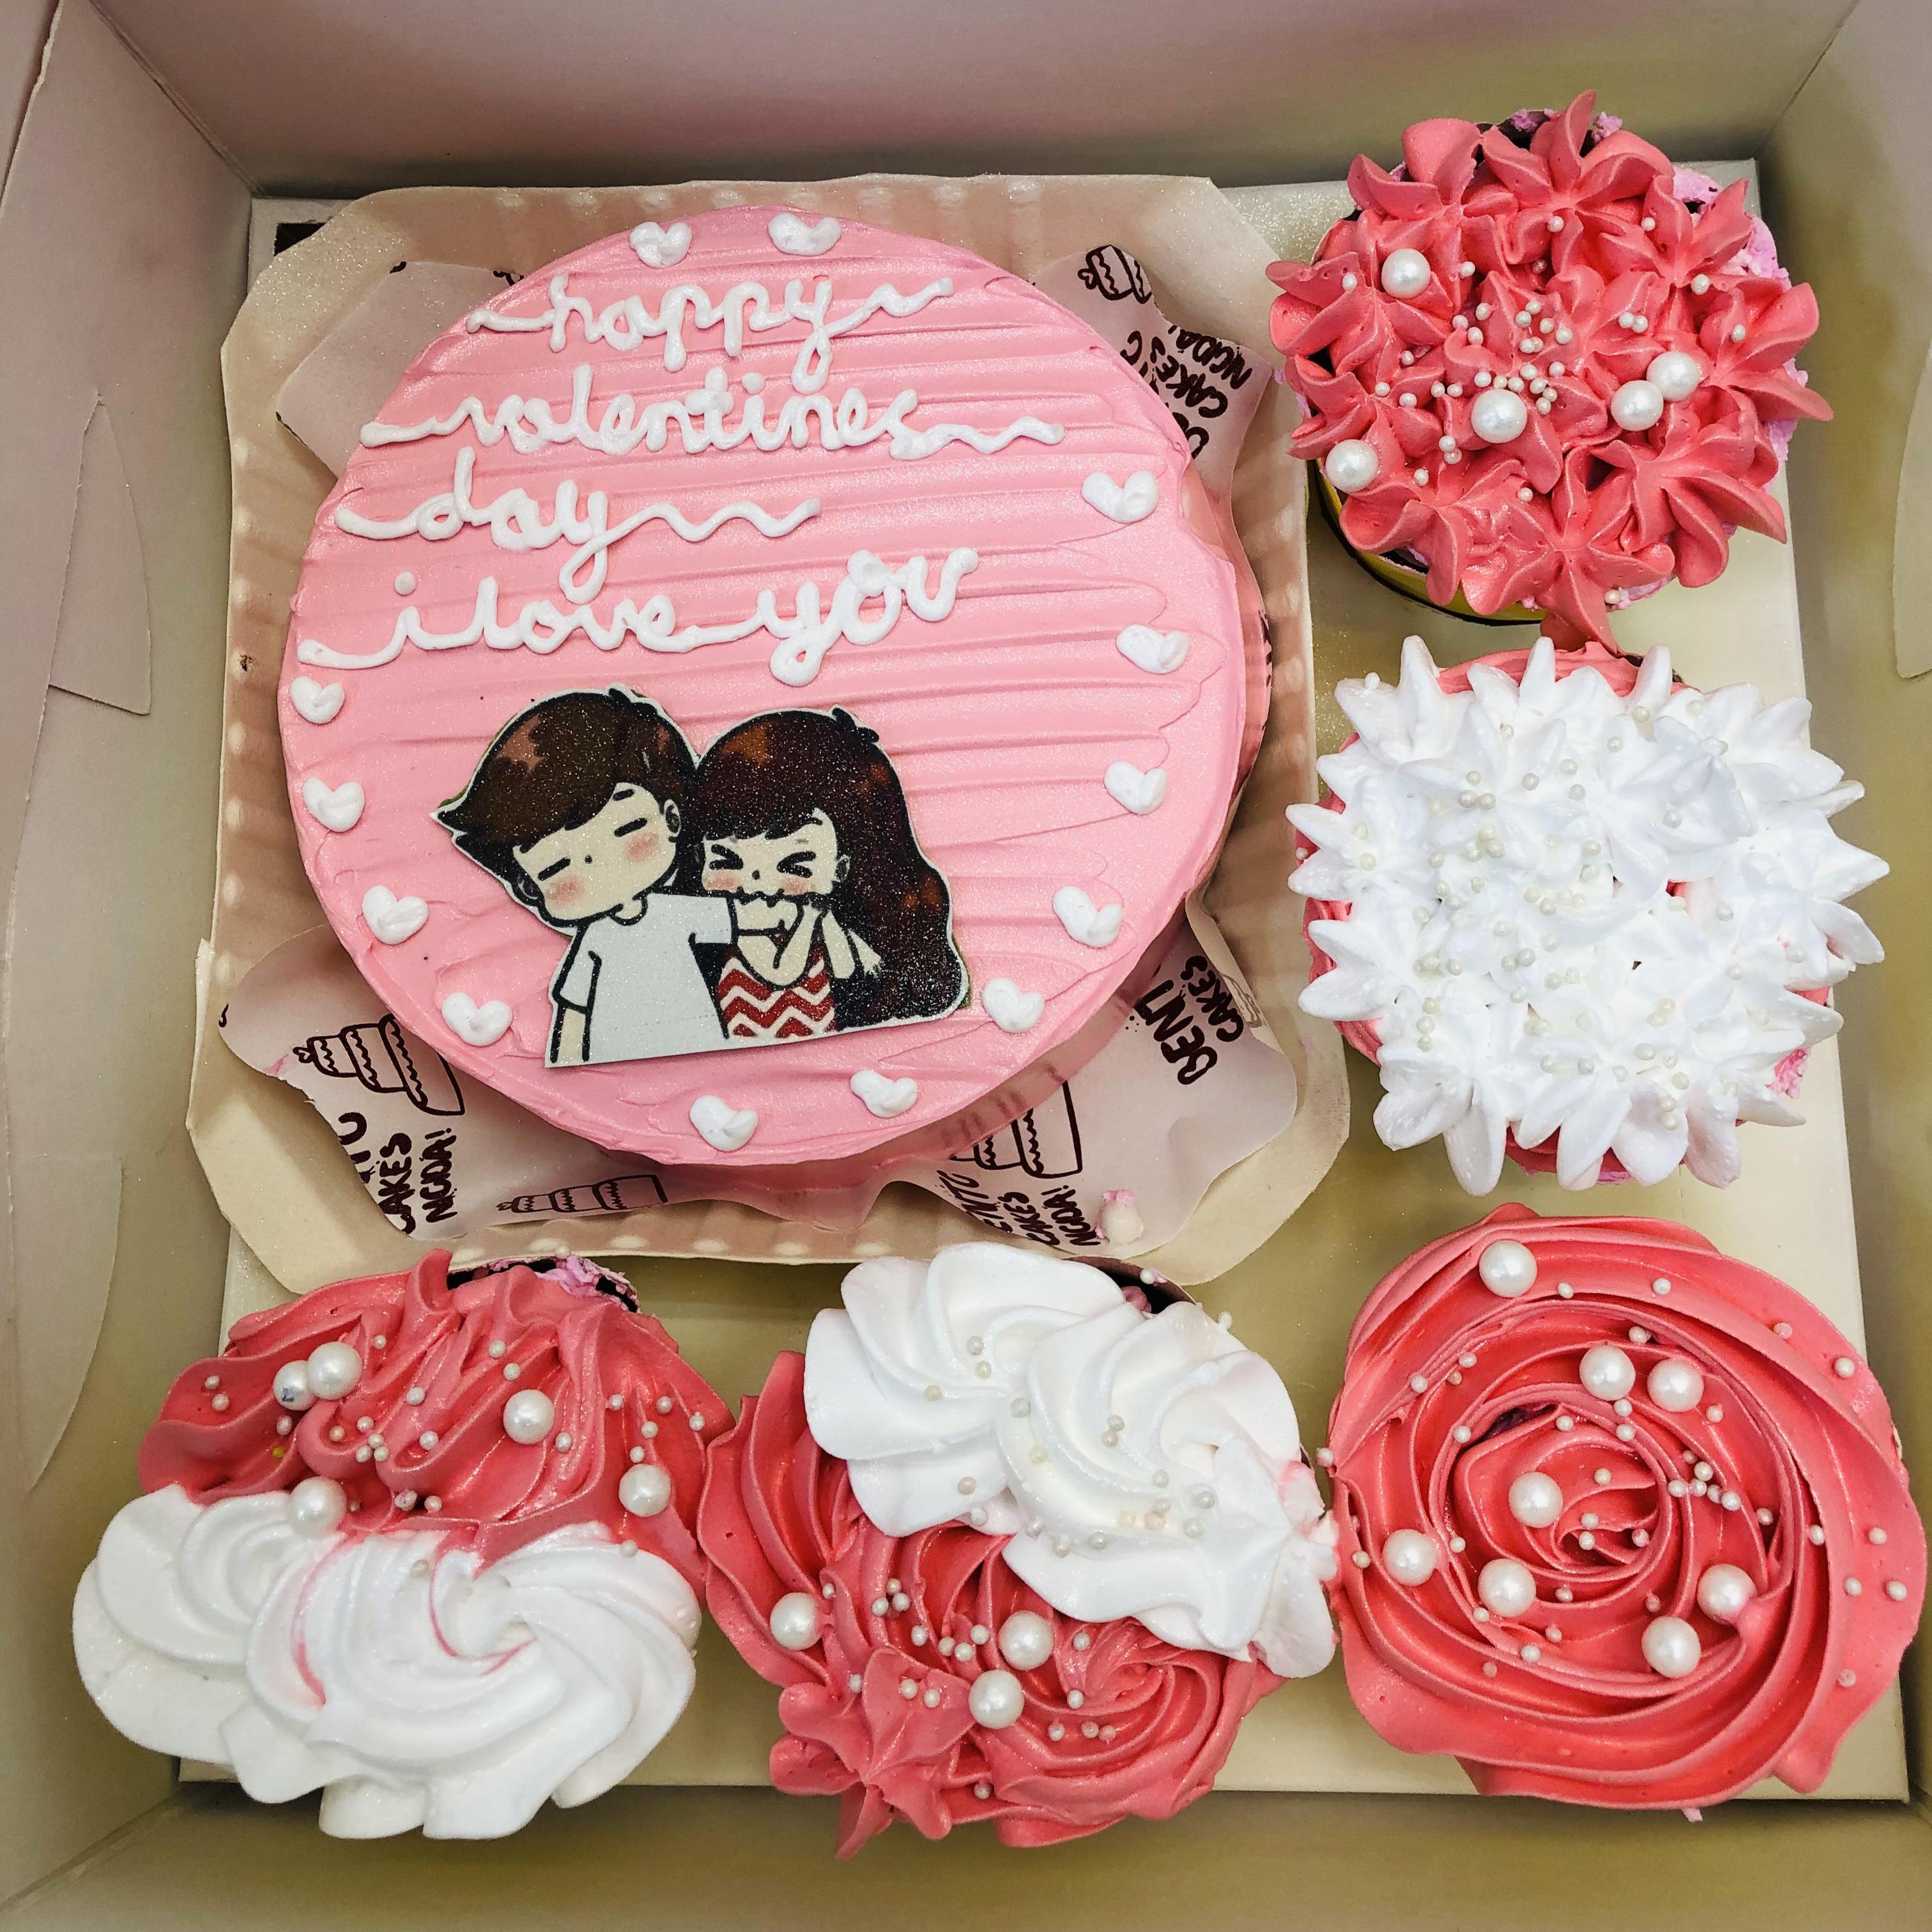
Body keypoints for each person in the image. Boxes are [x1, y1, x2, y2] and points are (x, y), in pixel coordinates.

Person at [437, 687, 792, 1066]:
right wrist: (566, 1060)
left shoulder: (677, 911)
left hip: (698, 1042)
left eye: (627, 829)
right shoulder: (595, 941)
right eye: (556, 867)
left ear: (673, 818)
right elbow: (574, 1014)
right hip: (612, 1051)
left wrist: (790, 914)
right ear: (528, 886)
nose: (598, 864)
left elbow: (743, 920)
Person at [690, 707, 965, 1041]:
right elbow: (781, 972)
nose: (758, 884)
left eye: (795, 866)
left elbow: (846, 966)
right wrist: (810, 921)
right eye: (727, 862)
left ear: (841, 868)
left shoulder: (824, 914)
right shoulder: (741, 924)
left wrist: (843, 937)